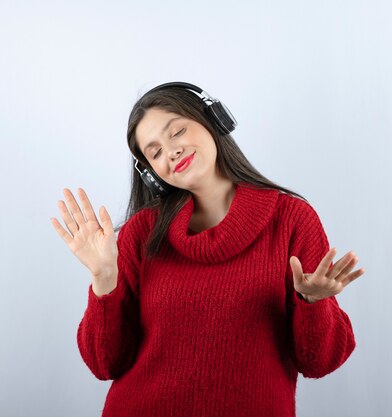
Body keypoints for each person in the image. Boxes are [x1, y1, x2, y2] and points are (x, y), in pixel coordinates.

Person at [50, 82, 365, 417]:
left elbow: (320, 362)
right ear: (152, 174)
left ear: (214, 119)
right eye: (154, 152)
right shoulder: (140, 234)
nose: (170, 151)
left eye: (177, 132)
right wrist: (104, 278)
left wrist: (313, 302)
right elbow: (104, 363)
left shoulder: (292, 220)